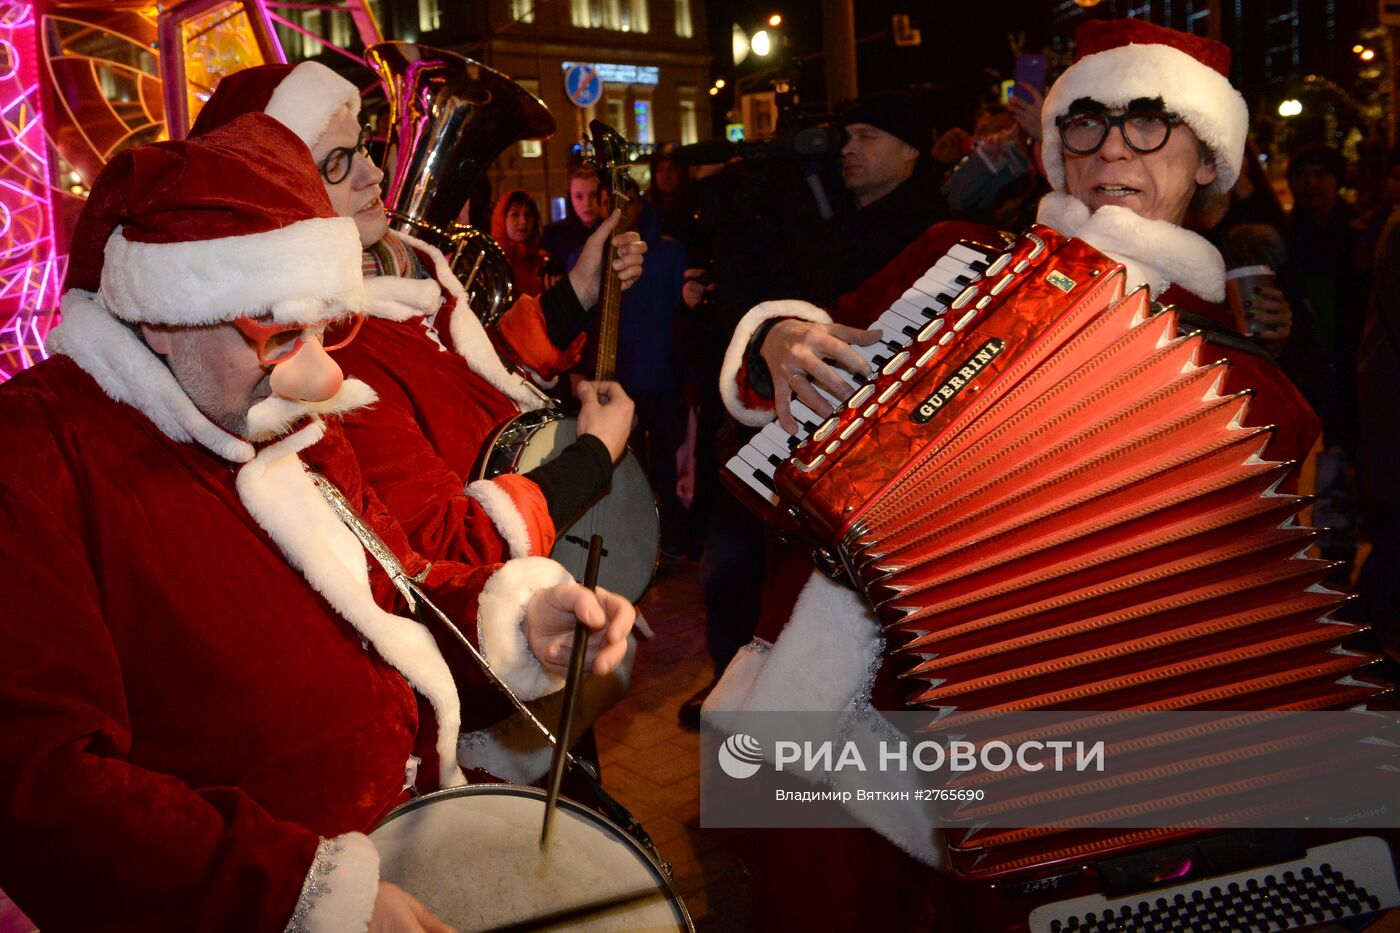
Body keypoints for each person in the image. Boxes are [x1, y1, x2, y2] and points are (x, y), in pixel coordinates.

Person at [708, 19, 1323, 930]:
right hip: (836, 719)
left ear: (1208, 162)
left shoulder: (1250, 391)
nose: (1113, 145)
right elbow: (792, 410)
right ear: (1054, 147)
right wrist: (777, 339)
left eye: (1151, 121)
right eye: (1087, 121)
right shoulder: (950, 266)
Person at [0, 115, 635, 931]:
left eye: (324, 329)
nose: (324, 372)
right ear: (164, 315)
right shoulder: (35, 456)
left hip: (410, 837)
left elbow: (399, 595)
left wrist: (520, 618)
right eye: (279, 334)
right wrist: (305, 896)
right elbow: (43, 789)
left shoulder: (281, 417)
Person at [190, 64, 645, 588]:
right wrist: (589, 460)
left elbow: (465, 386)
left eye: (362, 147)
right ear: (271, 194)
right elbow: (448, 550)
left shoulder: (406, 274)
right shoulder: (325, 359)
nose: (373, 173)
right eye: (337, 163)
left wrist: (578, 291)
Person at [541, 164, 606, 267]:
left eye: (593, 195)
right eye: (579, 196)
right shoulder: (553, 235)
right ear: (570, 198)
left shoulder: (613, 232)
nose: (587, 203)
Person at [492, 187, 549, 297]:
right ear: (502, 219)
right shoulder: (493, 260)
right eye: (515, 215)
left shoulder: (541, 260)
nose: (523, 221)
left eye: (528, 215)